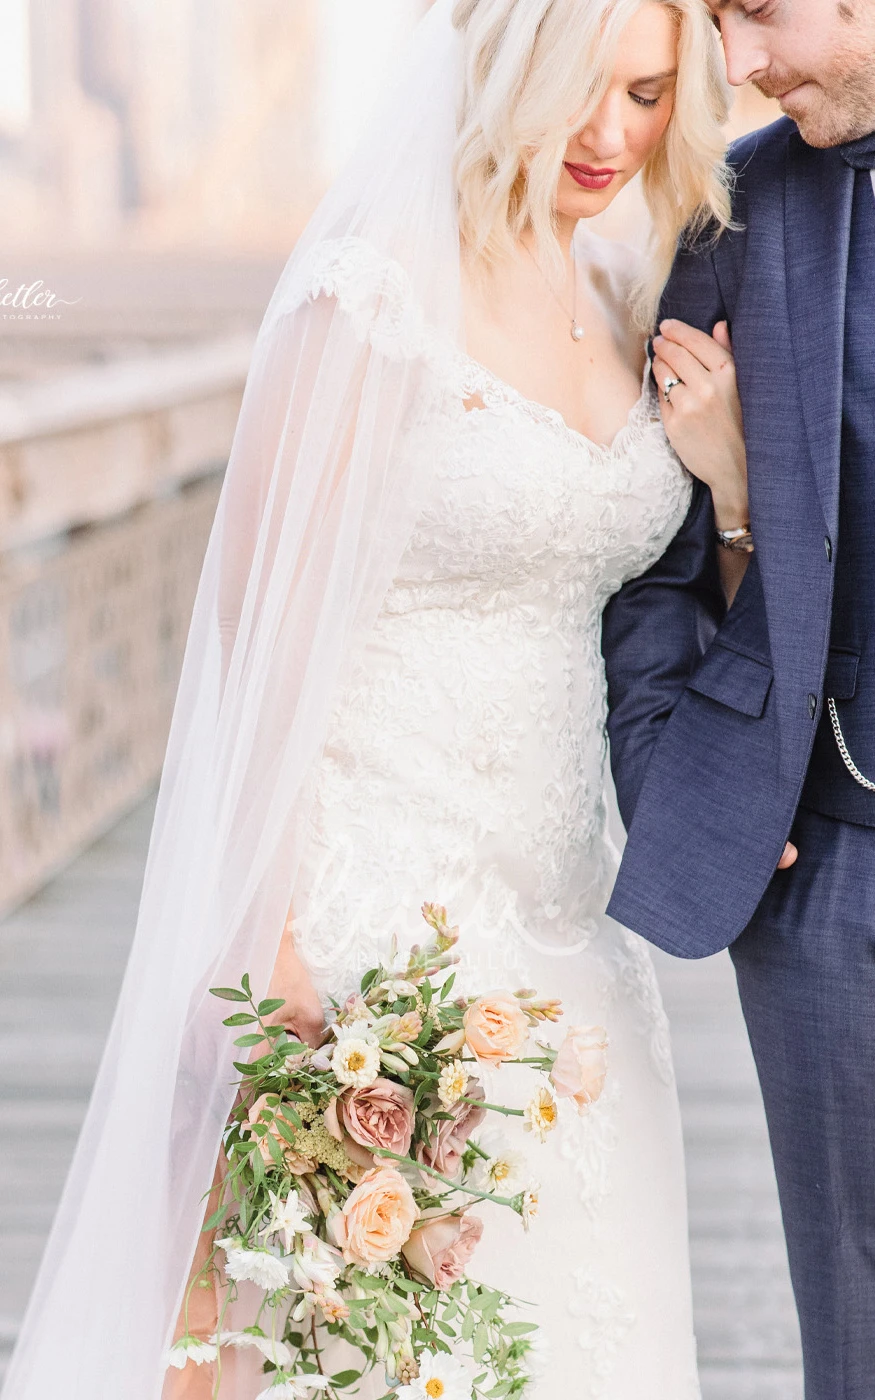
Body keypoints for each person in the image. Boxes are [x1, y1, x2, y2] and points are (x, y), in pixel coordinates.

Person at [1, 3, 746, 1398]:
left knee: (584, 1305)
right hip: (374, 913)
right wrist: (269, 949)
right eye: (573, 92)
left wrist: (727, 475)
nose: (607, 136)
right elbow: (253, 646)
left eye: (645, 94)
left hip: (572, 915)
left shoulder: (627, 280)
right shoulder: (372, 296)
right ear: (495, 71)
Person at [601, 0, 875, 1394]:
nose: (741, 64)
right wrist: (670, 777)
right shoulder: (735, 216)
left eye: (760, 11)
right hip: (826, 861)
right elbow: (639, 571)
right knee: (854, 1316)